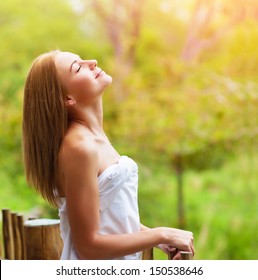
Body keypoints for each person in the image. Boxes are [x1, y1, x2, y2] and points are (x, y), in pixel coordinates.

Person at [22, 50, 194, 260]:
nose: (92, 62)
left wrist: (159, 240)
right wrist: (161, 233)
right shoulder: (79, 147)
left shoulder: (92, 138)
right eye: (78, 67)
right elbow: (88, 246)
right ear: (67, 99)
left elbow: (111, 217)